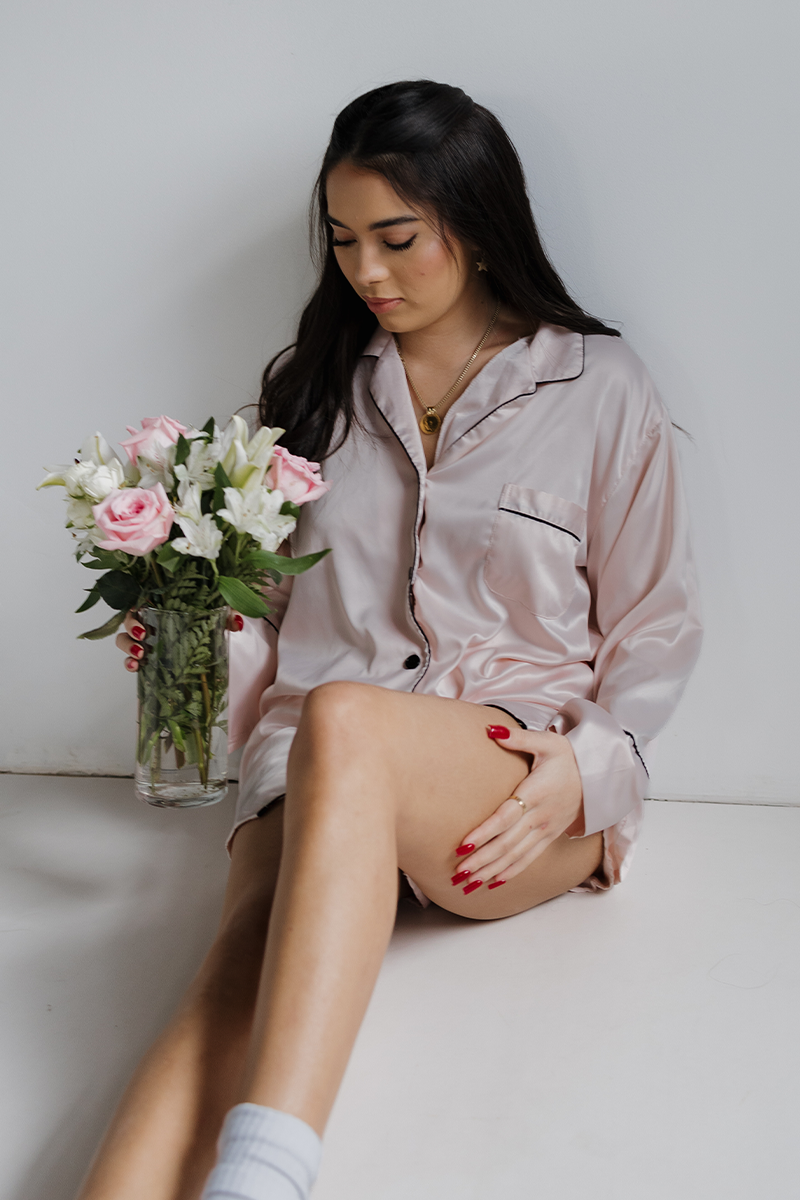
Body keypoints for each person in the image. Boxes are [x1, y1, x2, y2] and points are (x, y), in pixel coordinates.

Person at [79, 80, 702, 1200]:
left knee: (345, 716)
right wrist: (189, 638)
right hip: (311, 770)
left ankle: (268, 1175)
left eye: (396, 238)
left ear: (476, 223)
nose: (365, 270)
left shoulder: (599, 387)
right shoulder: (312, 393)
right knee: (226, 988)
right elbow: (273, 626)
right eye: (342, 240)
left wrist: (592, 767)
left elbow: (655, 624)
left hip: (511, 781)